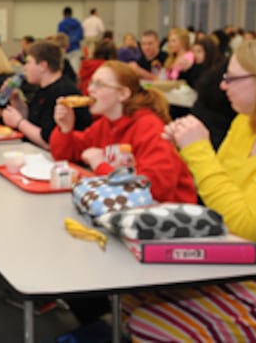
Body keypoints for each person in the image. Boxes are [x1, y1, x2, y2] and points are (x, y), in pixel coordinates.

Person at [124, 39, 256, 341]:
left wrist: (198, 150)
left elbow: (244, 225)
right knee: (131, 297)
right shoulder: (247, 123)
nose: (223, 86)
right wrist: (176, 153)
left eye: (232, 78)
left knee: (152, 322)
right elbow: (217, 197)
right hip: (242, 262)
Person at [49, 60, 197, 341]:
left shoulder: (149, 127)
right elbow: (67, 153)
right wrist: (66, 129)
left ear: (123, 94)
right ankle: (103, 322)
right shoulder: (106, 124)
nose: (89, 89)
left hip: (163, 226)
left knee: (75, 263)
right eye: (90, 83)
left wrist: (101, 166)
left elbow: (154, 188)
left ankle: (112, 322)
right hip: (124, 218)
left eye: (99, 85)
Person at [1, 40, 92, 149]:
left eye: (28, 62)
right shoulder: (44, 87)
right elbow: (32, 119)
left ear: (43, 66)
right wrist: (15, 99)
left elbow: (48, 142)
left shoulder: (62, 92)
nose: (25, 68)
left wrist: (19, 123)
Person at [57, 6, 84, 72]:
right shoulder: (77, 23)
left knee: (65, 70)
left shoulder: (61, 24)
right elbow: (81, 36)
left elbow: (60, 38)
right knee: (75, 69)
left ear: (63, 14)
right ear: (72, 13)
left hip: (66, 49)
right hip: (76, 49)